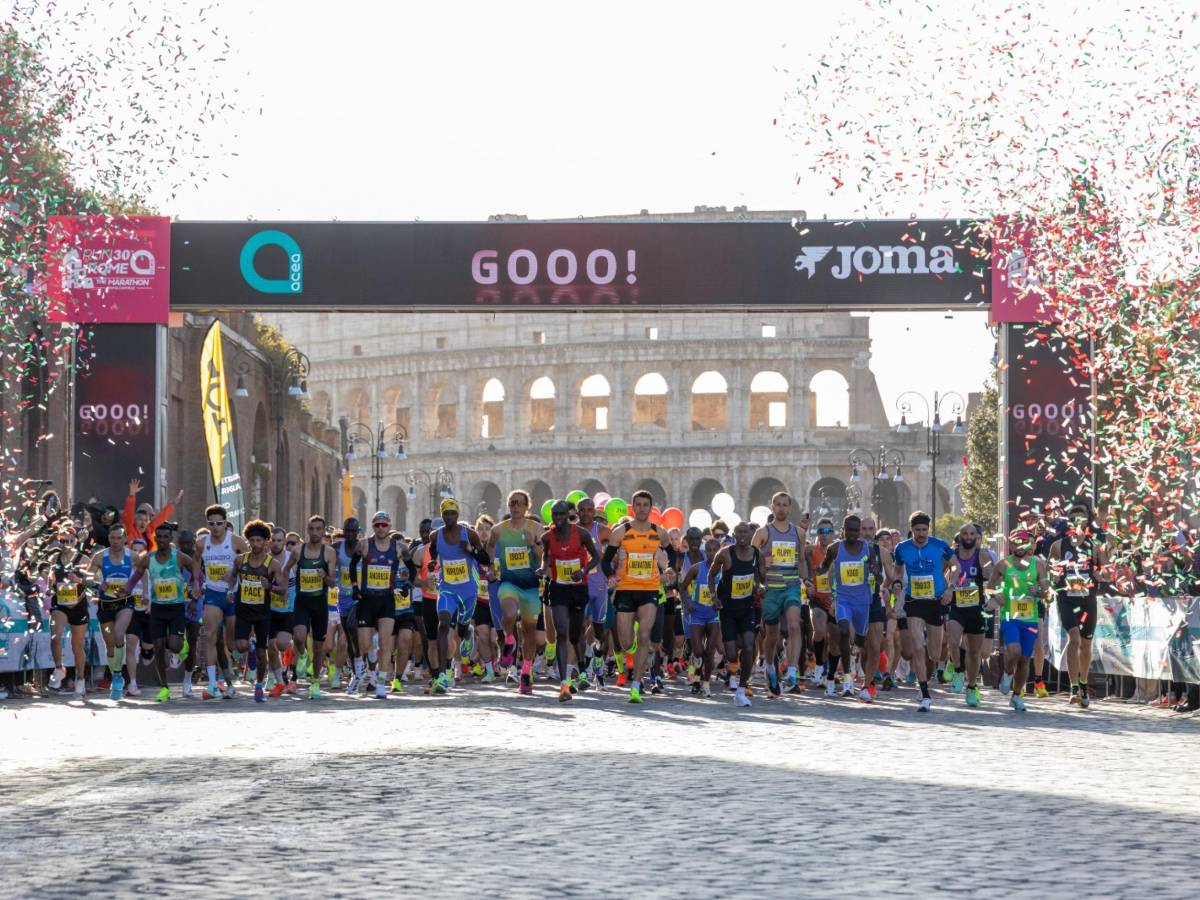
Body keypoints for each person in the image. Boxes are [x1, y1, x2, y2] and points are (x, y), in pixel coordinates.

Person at [603, 491, 674, 704]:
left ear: (651, 508)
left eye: (646, 505)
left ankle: (636, 685)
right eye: (639, 505)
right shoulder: (620, 532)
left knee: (645, 636)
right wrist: (610, 577)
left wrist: (669, 570)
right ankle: (633, 655)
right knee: (626, 643)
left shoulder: (659, 533)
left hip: (650, 589)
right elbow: (606, 560)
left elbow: (673, 554)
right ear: (633, 508)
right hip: (625, 589)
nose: (642, 508)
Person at [420, 499, 490, 695]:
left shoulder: (470, 534)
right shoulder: (436, 536)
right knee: (443, 625)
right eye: (446, 514)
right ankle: (442, 675)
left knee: (459, 629)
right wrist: (434, 561)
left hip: (468, 590)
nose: (449, 517)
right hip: (447, 589)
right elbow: (433, 551)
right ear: (442, 516)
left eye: (452, 513)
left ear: (457, 515)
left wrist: (471, 550)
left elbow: (486, 559)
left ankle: (466, 629)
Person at [124, 522, 197, 702]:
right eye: (159, 537)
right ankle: (164, 688)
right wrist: (127, 588)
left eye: (166, 537)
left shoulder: (179, 557)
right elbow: (137, 574)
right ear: (155, 539)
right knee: (157, 647)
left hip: (176, 608)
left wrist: (195, 592)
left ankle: (182, 645)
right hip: (157, 608)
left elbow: (196, 571)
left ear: (170, 539)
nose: (162, 540)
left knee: (174, 645)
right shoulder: (148, 558)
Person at [1049, 499, 1110, 709]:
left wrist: (1098, 573)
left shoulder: (1094, 546)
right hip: (1066, 598)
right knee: (1073, 638)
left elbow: (1105, 571)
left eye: (1081, 519)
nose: (1077, 522)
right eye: (1073, 519)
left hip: (1087, 599)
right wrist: (1054, 578)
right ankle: (1074, 686)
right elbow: (1048, 572)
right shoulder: (1058, 546)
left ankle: (1083, 683)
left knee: (1085, 644)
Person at [891, 511, 954, 712]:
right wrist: (898, 582)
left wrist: (950, 589)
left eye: (924, 530)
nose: (921, 533)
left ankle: (931, 670)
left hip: (935, 601)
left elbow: (956, 567)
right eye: (917, 530)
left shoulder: (939, 545)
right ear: (911, 529)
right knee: (918, 647)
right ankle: (924, 691)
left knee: (934, 653)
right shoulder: (902, 548)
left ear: (929, 529)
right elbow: (897, 570)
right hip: (914, 600)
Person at [540, 500, 602, 702]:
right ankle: (564, 684)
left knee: (575, 635)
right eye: (554, 515)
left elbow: (596, 557)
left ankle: (582, 665)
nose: (558, 518)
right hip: (558, 588)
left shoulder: (581, 534)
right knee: (562, 632)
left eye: (561, 514)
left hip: (578, 588)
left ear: (568, 514)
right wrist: (543, 568)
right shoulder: (547, 537)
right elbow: (546, 557)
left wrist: (583, 570)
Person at [820, 514, 884, 702]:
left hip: (863, 601)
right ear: (843, 530)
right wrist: (810, 572)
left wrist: (874, 572)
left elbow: (879, 577)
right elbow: (823, 568)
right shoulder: (834, 548)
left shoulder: (868, 549)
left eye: (856, 530)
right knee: (843, 630)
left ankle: (854, 657)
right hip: (843, 600)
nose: (853, 534)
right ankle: (848, 677)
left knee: (861, 642)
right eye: (850, 530)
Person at [486, 492, 543, 695]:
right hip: (508, 582)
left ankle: (525, 674)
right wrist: (492, 566)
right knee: (508, 614)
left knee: (529, 634)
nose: (515, 507)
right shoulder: (498, 530)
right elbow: (490, 547)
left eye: (519, 504)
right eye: (512, 503)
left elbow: (543, 556)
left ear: (527, 506)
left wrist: (532, 544)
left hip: (530, 586)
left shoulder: (535, 528)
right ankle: (509, 639)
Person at [753, 493, 809, 696]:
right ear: (772, 506)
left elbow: (801, 561)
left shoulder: (798, 533)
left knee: (795, 624)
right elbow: (751, 561)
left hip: (792, 586)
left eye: (785, 505)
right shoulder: (762, 533)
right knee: (772, 635)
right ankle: (769, 665)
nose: (781, 509)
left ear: (790, 508)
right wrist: (761, 564)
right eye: (777, 505)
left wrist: (806, 579)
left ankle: (792, 671)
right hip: (771, 589)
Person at [988, 528, 1049, 713]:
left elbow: (1046, 591)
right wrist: (997, 596)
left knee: (1024, 659)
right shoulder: (1002, 564)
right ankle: (1007, 673)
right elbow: (989, 587)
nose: (1020, 546)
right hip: (1010, 616)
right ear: (1011, 544)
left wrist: (1037, 592)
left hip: (1030, 618)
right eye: (1016, 542)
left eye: (1023, 542)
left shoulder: (1037, 564)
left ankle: (1016, 696)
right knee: (1013, 650)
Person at [193, 506, 247, 700]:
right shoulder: (201, 543)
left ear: (226, 523)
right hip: (213, 594)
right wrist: (196, 581)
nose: (215, 528)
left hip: (232, 595)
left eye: (219, 523)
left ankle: (231, 666)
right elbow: (196, 560)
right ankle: (212, 683)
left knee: (230, 643)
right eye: (211, 524)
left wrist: (235, 575)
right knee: (210, 636)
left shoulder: (236, 541)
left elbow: (250, 561)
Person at [230, 520, 286, 702]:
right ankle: (250, 646)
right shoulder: (240, 560)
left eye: (259, 541)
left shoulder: (272, 564)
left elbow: (283, 588)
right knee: (241, 646)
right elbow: (231, 578)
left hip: (263, 614)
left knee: (263, 653)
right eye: (252, 541)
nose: (255, 544)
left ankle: (259, 685)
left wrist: (270, 586)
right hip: (244, 610)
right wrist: (230, 592)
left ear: (266, 542)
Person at [708, 521, 762, 708]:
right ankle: (729, 659)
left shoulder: (756, 553)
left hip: (747, 608)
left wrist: (759, 587)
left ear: (749, 535)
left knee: (748, 647)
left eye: (745, 533)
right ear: (734, 534)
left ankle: (740, 690)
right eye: (738, 532)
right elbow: (710, 575)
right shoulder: (724, 554)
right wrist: (714, 597)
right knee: (731, 654)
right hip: (728, 610)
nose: (742, 536)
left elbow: (757, 575)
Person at [353, 511, 405, 698]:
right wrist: (354, 586)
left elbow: (410, 568)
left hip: (386, 600)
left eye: (384, 525)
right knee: (365, 645)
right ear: (373, 526)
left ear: (390, 526)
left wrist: (406, 584)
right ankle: (371, 659)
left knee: (385, 642)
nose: (381, 528)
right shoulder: (365, 544)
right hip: (367, 600)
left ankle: (381, 684)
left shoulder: (398, 547)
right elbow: (352, 565)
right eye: (377, 525)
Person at [945, 523, 994, 707]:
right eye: (964, 533)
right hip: (958, 606)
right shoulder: (953, 555)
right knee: (953, 639)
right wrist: (947, 588)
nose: (968, 536)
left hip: (977, 608)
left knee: (974, 653)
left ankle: (972, 687)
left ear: (976, 537)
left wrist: (990, 589)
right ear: (960, 536)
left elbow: (991, 579)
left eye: (972, 534)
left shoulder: (983, 556)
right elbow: (945, 575)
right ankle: (958, 669)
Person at [87, 523, 135, 700]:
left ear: (125, 539)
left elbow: (143, 573)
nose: (115, 541)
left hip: (125, 603)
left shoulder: (133, 556)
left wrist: (135, 588)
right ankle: (116, 674)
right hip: (105, 605)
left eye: (119, 538)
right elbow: (87, 577)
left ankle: (116, 676)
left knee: (118, 634)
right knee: (109, 643)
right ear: (109, 539)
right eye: (112, 538)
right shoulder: (100, 557)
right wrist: (98, 584)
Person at [293, 515, 337, 699]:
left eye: (319, 529)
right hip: (302, 601)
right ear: (308, 530)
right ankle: (302, 655)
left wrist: (323, 575)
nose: (315, 533)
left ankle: (316, 682)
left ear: (323, 530)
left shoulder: (329, 553)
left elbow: (332, 581)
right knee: (299, 636)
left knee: (319, 647)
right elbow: (285, 568)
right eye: (312, 529)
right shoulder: (298, 551)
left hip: (320, 603)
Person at [678, 533, 721, 697]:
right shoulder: (697, 567)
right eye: (708, 550)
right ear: (706, 552)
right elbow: (682, 587)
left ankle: (705, 683)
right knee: (697, 651)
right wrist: (688, 602)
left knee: (710, 651)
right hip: (696, 613)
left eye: (714, 550)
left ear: (719, 551)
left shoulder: (724, 569)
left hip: (713, 615)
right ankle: (695, 677)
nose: (711, 553)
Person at [47, 527, 88, 697]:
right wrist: (51, 587)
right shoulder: (54, 558)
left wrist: (79, 581)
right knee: (55, 635)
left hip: (78, 605)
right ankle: (59, 668)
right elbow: (50, 581)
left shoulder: (83, 559)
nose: (66, 544)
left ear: (76, 542)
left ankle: (80, 679)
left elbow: (93, 582)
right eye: (63, 541)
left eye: (70, 541)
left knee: (76, 647)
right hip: (61, 604)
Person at [577, 498, 611, 685]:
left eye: (590, 509)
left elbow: (617, 548)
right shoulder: (572, 530)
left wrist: (612, 571)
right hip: (579, 585)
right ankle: (582, 670)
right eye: (582, 510)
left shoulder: (602, 531)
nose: (586, 513)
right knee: (580, 626)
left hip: (598, 584)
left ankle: (598, 654)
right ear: (578, 511)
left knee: (599, 629)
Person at [266, 526, 299, 696]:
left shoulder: (291, 559)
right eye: (273, 540)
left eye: (280, 540)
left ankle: (294, 649)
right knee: (270, 647)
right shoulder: (264, 559)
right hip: (269, 610)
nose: (276, 543)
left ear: (285, 542)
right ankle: (278, 680)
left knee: (282, 644)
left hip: (288, 609)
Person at [806, 517, 838, 686]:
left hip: (834, 600)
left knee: (834, 639)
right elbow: (799, 563)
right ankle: (819, 665)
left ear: (833, 533)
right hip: (817, 598)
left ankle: (830, 674)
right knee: (819, 631)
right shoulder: (810, 551)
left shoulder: (839, 550)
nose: (824, 535)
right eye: (820, 531)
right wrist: (806, 582)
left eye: (827, 531)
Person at [122, 478, 183, 550]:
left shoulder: (149, 530)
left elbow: (161, 517)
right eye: (140, 519)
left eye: (145, 520)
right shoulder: (130, 530)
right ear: (134, 521)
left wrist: (173, 503)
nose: (143, 522)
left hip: (146, 560)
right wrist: (132, 495)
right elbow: (129, 513)